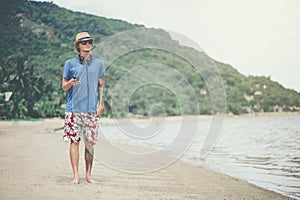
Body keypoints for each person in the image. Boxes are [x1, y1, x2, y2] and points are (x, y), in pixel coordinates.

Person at [62, 32, 105, 184]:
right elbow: (64, 86)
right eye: (84, 42)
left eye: (89, 41)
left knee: (90, 143)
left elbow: (101, 86)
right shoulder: (70, 63)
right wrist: (71, 82)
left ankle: (88, 175)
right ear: (78, 46)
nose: (88, 44)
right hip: (73, 109)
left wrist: (101, 104)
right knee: (74, 141)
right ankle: (75, 175)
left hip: (91, 110)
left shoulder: (99, 64)